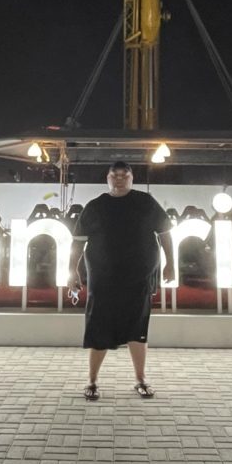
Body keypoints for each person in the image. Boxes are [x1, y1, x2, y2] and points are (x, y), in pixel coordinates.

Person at [70, 160, 174, 400]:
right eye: (114, 175)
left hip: (138, 277)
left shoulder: (145, 202)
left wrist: (170, 265)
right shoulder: (95, 206)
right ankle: (92, 381)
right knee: (98, 326)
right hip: (102, 278)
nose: (119, 179)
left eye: (124, 175)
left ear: (131, 177)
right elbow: (77, 243)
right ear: (107, 179)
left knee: (137, 328)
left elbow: (165, 234)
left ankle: (141, 379)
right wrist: (72, 270)